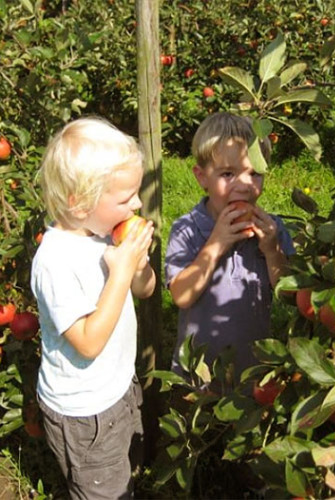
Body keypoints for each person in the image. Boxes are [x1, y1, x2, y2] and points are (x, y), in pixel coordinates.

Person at [30, 116, 155, 499]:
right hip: (85, 413)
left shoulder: (104, 236)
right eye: (124, 198)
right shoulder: (55, 261)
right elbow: (87, 342)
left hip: (115, 388)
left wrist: (139, 265)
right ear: (79, 202)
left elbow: (146, 290)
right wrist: (119, 274)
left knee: (119, 474)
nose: (136, 204)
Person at [165, 112, 294, 388]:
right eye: (227, 174)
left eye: (254, 173)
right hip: (198, 376)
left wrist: (272, 252)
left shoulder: (272, 230)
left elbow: (290, 293)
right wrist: (216, 244)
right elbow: (181, 296)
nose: (244, 185)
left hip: (255, 375)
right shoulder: (187, 229)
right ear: (202, 177)